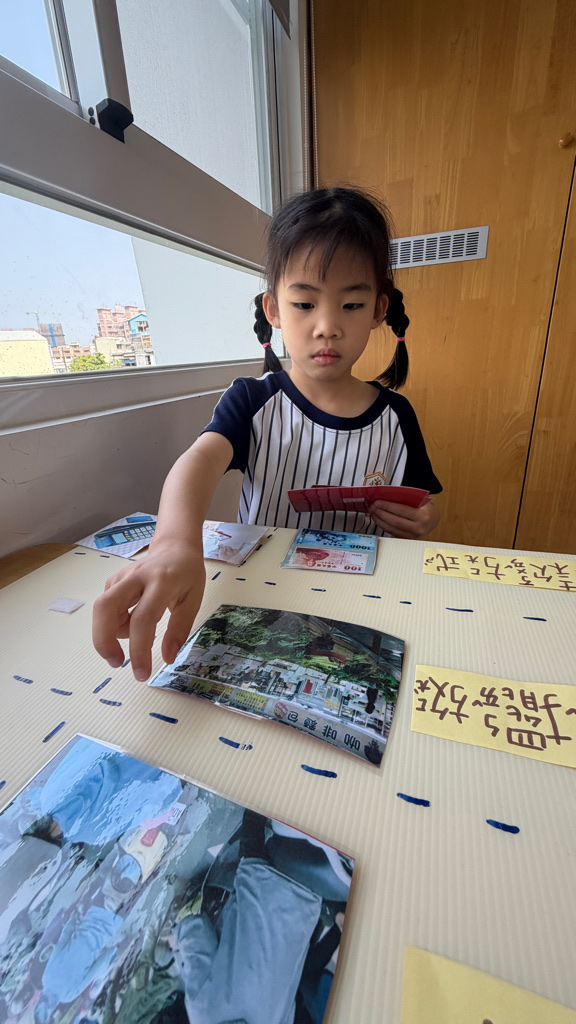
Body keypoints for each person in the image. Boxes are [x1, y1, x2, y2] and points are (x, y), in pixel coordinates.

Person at [93, 186, 442, 682]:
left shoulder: (397, 416)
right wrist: (173, 541)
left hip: (361, 606)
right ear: (273, 310)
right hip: (262, 596)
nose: (327, 326)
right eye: (304, 303)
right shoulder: (251, 400)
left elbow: (424, 504)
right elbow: (199, 461)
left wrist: (424, 520)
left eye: (351, 304)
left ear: (378, 310)